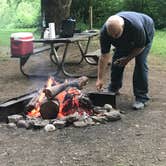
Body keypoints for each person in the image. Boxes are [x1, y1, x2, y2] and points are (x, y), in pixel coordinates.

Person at [96, 11, 155, 110]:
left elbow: (140, 47)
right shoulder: (104, 32)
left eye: (116, 34)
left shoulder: (136, 27)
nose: (114, 37)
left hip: (145, 32)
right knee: (117, 60)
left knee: (140, 63)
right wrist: (100, 78)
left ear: (123, 27)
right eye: (112, 35)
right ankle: (114, 87)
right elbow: (104, 56)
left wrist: (127, 59)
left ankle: (142, 97)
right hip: (127, 38)